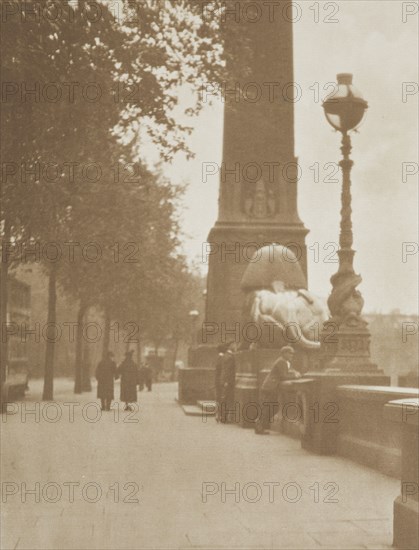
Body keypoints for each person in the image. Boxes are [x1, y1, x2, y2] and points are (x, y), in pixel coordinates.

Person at [255, 345, 301, 434]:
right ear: (284, 353)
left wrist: (294, 372)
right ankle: (259, 427)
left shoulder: (283, 361)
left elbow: (287, 371)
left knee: (271, 407)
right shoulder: (282, 362)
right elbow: (283, 376)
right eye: (290, 353)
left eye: (292, 353)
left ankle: (261, 426)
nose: (292, 355)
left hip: (270, 387)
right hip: (271, 387)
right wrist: (295, 376)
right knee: (269, 407)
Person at [219, 342, 236, 424]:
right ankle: (223, 417)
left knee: (224, 398)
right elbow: (228, 370)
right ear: (230, 346)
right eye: (234, 344)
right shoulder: (230, 357)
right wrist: (227, 381)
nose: (235, 346)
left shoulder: (226, 355)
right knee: (226, 399)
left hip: (224, 380)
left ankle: (222, 416)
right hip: (228, 381)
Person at [214, 343, 228, 423]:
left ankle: (218, 415)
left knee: (218, 399)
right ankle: (220, 415)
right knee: (221, 398)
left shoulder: (219, 358)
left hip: (218, 381)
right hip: (221, 381)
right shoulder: (223, 358)